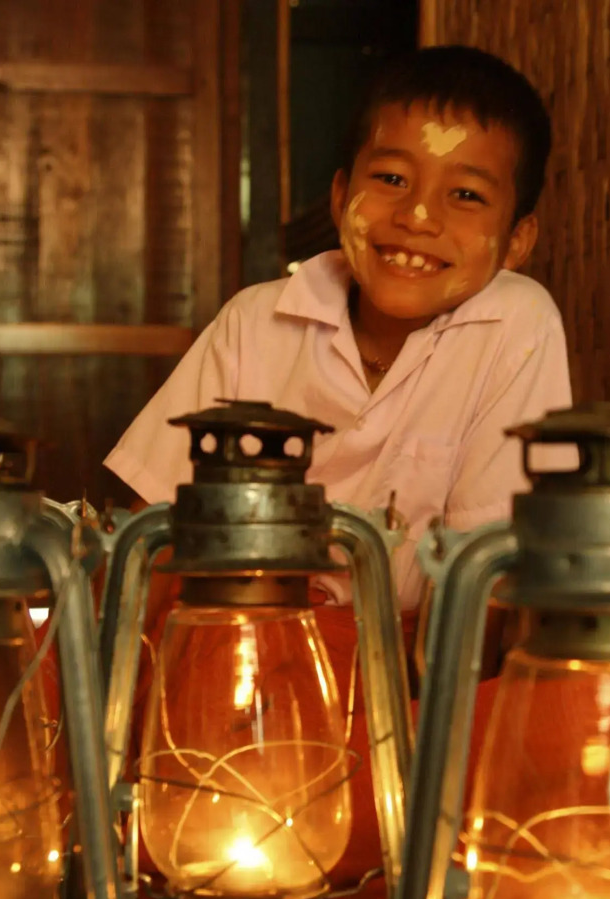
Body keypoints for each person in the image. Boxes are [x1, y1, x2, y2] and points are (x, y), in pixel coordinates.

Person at [105, 45, 572, 616]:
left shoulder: (516, 324)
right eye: (393, 178)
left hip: (422, 667)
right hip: (244, 641)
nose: (417, 217)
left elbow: (495, 573)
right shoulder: (255, 321)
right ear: (339, 194)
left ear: (518, 241)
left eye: (466, 195)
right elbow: (153, 526)